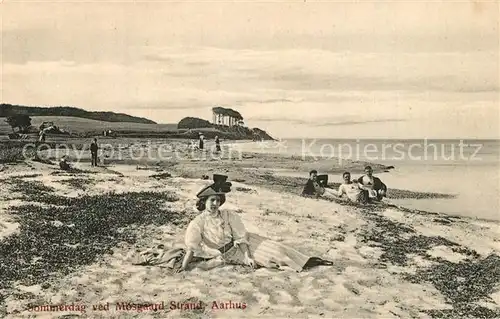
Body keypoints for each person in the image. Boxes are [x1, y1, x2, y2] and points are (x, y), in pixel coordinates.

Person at [178, 177, 333, 273]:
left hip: (246, 243)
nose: (215, 204)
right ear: (204, 201)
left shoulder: (227, 214)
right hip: (229, 254)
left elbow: (240, 237)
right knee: (271, 259)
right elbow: (191, 248)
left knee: (277, 248)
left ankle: (311, 260)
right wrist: (184, 267)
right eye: (212, 200)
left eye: (217, 200)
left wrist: (247, 255)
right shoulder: (197, 223)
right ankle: (305, 264)